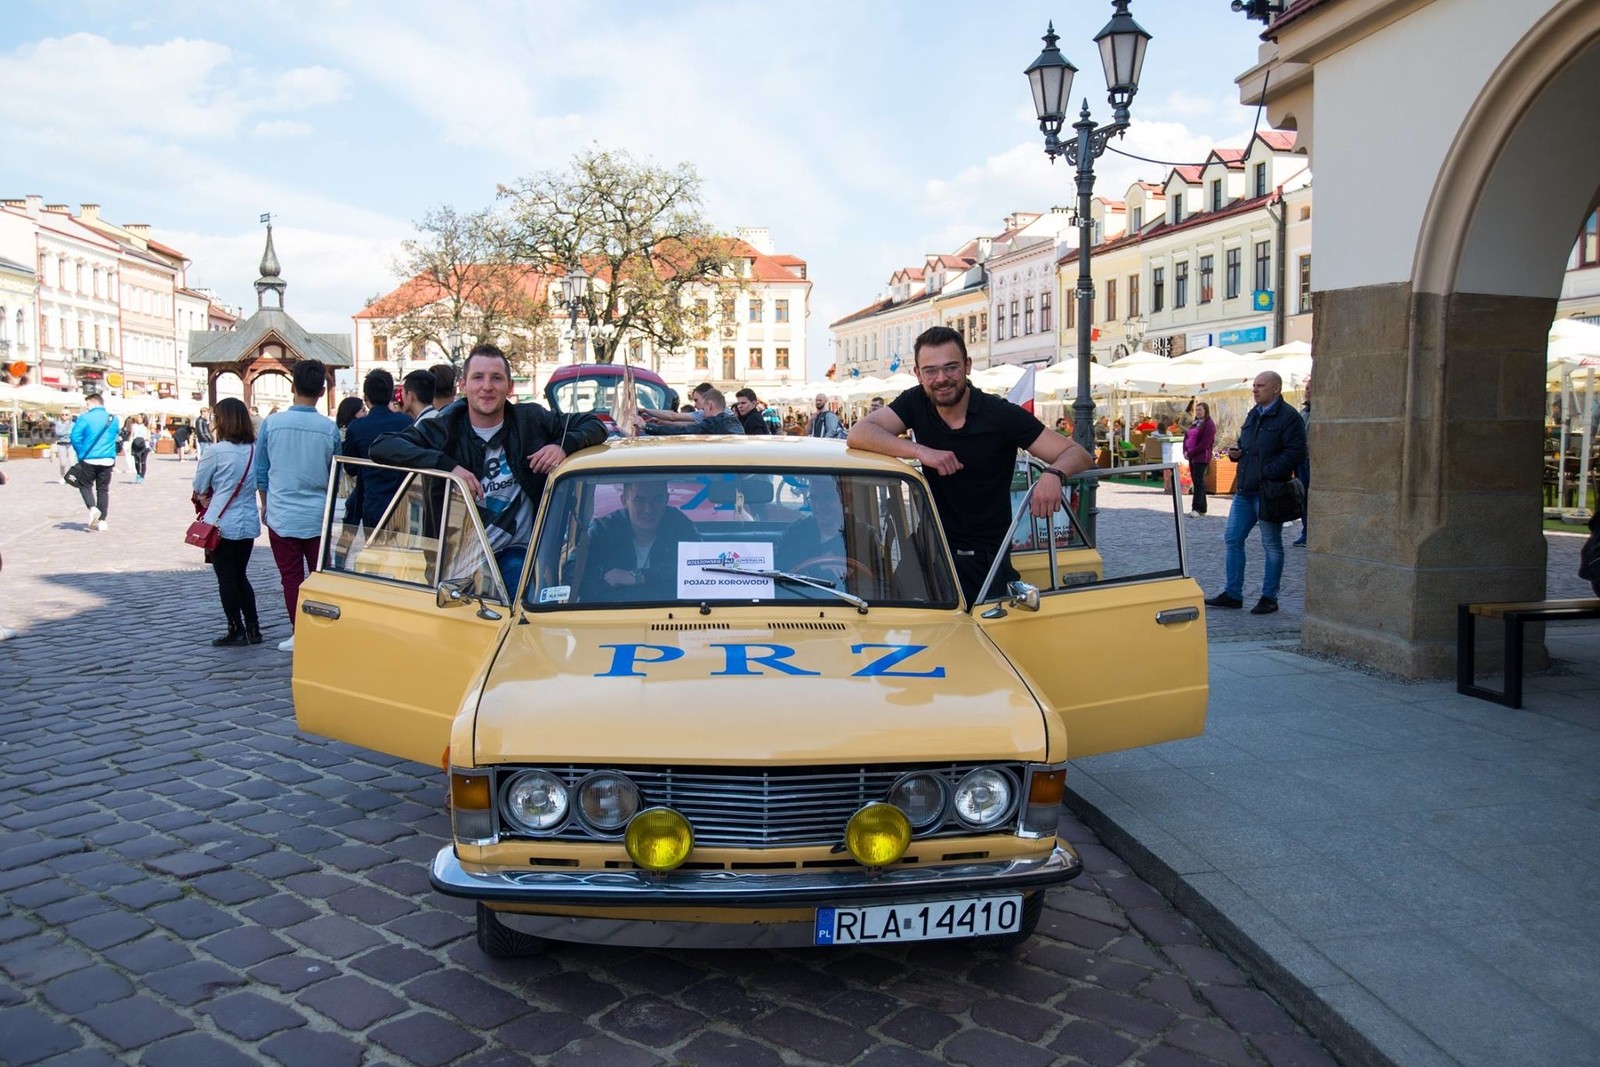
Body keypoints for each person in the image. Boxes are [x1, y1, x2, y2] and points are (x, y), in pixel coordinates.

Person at [847, 325, 1094, 604]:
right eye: (930, 371)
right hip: (929, 550)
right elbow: (859, 434)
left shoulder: (999, 414)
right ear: (918, 374)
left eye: (950, 368)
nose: (941, 379)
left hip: (985, 558)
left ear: (967, 366)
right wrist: (921, 451)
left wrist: (1053, 473)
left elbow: (1079, 454)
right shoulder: (917, 401)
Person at [370, 343, 606, 596]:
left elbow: (594, 424)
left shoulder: (531, 420)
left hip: (515, 551)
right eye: (478, 377)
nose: (487, 386)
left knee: (520, 598)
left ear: (509, 386)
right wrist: (448, 467)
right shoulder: (444, 428)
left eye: (496, 378)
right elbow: (382, 446)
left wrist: (562, 446)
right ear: (463, 385)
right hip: (456, 556)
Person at [1205, 370, 1308, 616]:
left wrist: (1268, 471)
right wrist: (1237, 453)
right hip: (1245, 489)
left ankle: (1269, 597)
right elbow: (1246, 444)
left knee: (1271, 544)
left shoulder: (1288, 417)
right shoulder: (1253, 413)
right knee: (1232, 538)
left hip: (1269, 491)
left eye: (1260, 385)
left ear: (1276, 388)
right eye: (1254, 385)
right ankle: (1233, 594)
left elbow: (1296, 452)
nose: (1255, 389)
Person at [257, 360, 341, 652]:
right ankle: (323, 631)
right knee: (320, 578)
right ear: (321, 392)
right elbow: (336, 473)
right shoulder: (328, 429)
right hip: (318, 515)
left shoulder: (272, 424)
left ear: (292, 387)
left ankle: (300, 632)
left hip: (282, 513)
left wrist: (265, 504)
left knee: (291, 578)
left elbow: (261, 471)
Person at [193, 398, 262, 647]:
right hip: (248, 521)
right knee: (241, 575)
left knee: (226, 578)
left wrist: (206, 493)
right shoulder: (255, 449)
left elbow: (199, 485)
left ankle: (236, 628)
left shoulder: (215, 451)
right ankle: (253, 627)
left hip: (220, 523)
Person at [578, 478, 698, 602]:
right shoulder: (603, 530)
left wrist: (638, 577)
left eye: (656, 499)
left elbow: (697, 569)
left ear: (666, 500)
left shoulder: (681, 527)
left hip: (672, 610)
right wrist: (603, 587)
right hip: (612, 611)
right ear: (624, 501)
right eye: (640, 500)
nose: (648, 509)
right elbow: (575, 573)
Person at [342, 369, 412, 532]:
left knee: (374, 545)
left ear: (366, 398)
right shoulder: (406, 422)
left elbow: (350, 468)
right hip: (403, 501)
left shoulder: (357, 427)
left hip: (373, 500)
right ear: (390, 395)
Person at [69, 393, 118, 531]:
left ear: (94, 402)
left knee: (84, 485)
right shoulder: (113, 419)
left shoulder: (85, 417)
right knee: (103, 489)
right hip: (107, 458)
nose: (86, 407)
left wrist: (81, 452)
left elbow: (75, 436)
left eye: (88, 404)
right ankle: (102, 521)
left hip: (89, 457)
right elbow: (114, 437)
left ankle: (92, 508)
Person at [642, 387, 744, 435]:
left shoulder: (712, 423)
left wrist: (645, 426)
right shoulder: (733, 419)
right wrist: (663, 422)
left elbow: (685, 430)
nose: (703, 412)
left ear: (710, 405)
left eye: (704, 409)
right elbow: (690, 425)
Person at [1183, 402, 1217, 517]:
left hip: (1201, 457)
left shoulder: (1209, 425)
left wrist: (1191, 453)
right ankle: (1202, 507)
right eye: (1196, 410)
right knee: (1197, 481)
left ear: (1205, 411)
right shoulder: (1194, 423)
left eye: (1200, 410)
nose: (1198, 412)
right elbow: (1187, 436)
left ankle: (1196, 508)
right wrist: (1185, 451)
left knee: (1198, 481)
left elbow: (1205, 443)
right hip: (1192, 456)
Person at [1294, 375, 1312, 547]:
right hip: (1301, 461)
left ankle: (1311, 533)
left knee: (1311, 498)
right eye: (1307, 389)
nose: (1308, 392)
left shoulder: (1319, 413)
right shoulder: (1304, 412)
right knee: (1303, 497)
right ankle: (1306, 532)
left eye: (1311, 389)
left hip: (1312, 461)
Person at [128, 415, 151, 483]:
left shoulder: (146, 426)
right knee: (136, 461)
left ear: (144, 419)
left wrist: (144, 439)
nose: (139, 419)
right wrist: (129, 445)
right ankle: (138, 474)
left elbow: (149, 437)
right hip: (135, 444)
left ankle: (142, 477)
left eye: (140, 417)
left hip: (144, 445)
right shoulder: (134, 426)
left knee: (143, 462)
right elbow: (132, 435)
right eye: (138, 417)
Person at [53, 414, 75, 482]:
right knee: (62, 462)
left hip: (71, 444)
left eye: (66, 414)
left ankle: (71, 477)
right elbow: (58, 433)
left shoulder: (73, 424)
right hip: (61, 444)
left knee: (72, 462)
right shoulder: (58, 424)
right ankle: (62, 476)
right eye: (62, 414)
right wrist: (67, 432)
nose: (64, 416)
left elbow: (73, 433)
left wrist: (64, 432)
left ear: (69, 416)